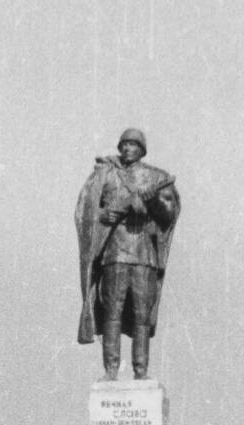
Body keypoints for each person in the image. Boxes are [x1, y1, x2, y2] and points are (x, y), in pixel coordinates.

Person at [75, 128, 180, 380]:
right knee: (113, 312)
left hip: (144, 255)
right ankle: (111, 371)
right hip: (114, 253)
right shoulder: (105, 175)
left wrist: (150, 202)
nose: (126, 149)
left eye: (133, 145)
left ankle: (141, 372)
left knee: (141, 315)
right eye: (123, 144)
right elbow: (85, 211)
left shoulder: (156, 177)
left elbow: (168, 215)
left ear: (142, 149)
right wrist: (103, 216)